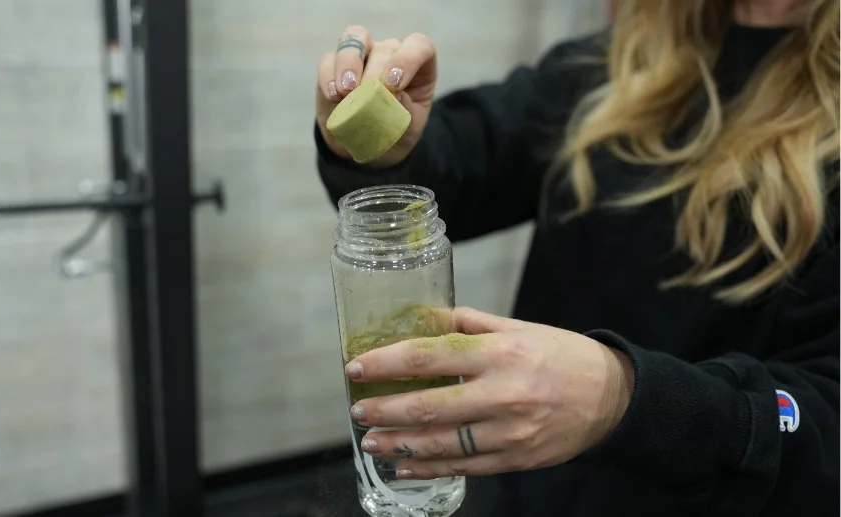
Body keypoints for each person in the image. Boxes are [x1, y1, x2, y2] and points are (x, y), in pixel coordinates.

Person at [313, 0, 839, 515]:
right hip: (524, 483)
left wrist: (625, 400)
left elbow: (825, 426)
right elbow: (466, 160)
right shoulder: (618, 60)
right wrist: (389, 144)